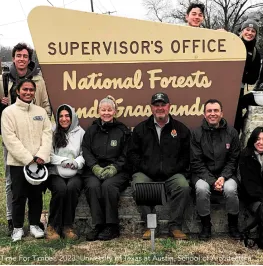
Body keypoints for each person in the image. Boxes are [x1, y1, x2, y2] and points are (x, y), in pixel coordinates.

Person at [0, 43, 51, 233]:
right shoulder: (3, 79)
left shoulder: (39, 79)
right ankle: (13, 221)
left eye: (25, 56)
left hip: (36, 139)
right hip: (13, 137)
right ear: (13, 58)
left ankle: (35, 223)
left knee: (35, 187)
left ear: (29, 59)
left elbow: (45, 105)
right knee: (12, 183)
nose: (22, 59)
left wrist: (41, 119)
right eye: (18, 56)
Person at [128, 92, 191, 240]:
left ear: (169, 106)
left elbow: (186, 155)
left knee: (183, 186)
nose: (160, 108)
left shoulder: (181, 129)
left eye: (163, 105)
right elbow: (132, 154)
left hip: (172, 174)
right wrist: (147, 168)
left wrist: (173, 169)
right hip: (147, 173)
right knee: (138, 183)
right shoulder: (140, 129)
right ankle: (151, 226)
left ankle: (175, 226)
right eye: (157, 105)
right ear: (151, 108)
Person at [190, 99, 241, 240]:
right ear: (204, 114)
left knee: (230, 190)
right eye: (209, 111)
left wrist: (223, 177)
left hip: (227, 174)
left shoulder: (232, 133)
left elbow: (233, 160)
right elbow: (196, 162)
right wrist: (212, 181)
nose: (213, 113)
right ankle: (206, 226)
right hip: (202, 175)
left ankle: (233, 225)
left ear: (221, 113)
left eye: (216, 110)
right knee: (201, 189)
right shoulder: (196, 134)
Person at [82, 95, 131, 241]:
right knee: (92, 186)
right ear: (98, 111)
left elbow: (126, 153)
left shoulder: (123, 131)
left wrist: (115, 168)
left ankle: (112, 226)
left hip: (117, 171)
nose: (106, 113)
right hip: (95, 169)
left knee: (109, 186)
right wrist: (94, 167)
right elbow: (86, 150)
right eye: (103, 110)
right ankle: (98, 225)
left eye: (110, 110)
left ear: (115, 111)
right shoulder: (91, 131)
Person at [46, 104, 85, 240]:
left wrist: (77, 163)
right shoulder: (52, 131)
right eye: (61, 116)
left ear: (72, 117)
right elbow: (49, 154)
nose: (64, 119)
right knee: (61, 189)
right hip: (56, 171)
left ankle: (67, 226)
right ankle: (52, 226)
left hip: (75, 172)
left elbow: (84, 153)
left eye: (67, 116)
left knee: (72, 187)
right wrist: (63, 161)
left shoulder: (80, 133)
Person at [234, 20, 262, 132]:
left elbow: (252, 79)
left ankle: (234, 145)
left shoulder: (255, 53)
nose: (249, 33)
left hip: (239, 89)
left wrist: (239, 76)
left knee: (236, 119)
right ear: (241, 31)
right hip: (223, 87)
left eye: (253, 31)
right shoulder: (231, 44)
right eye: (247, 29)